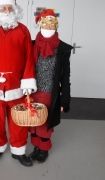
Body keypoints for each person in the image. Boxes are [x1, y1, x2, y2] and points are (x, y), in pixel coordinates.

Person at [0, 0, 37, 167]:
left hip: (18, 86)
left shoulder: (23, 30)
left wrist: (28, 80)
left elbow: (30, 56)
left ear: (15, 10)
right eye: (2, 8)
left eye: (9, 8)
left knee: (18, 121)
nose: (6, 11)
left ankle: (19, 150)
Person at [28, 9, 72, 163]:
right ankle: (36, 147)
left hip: (49, 93)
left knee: (44, 124)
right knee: (33, 123)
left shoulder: (63, 49)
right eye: (45, 25)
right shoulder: (32, 44)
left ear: (56, 26)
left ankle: (44, 150)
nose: (47, 28)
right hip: (32, 91)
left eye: (51, 25)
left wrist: (64, 100)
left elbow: (65, 76)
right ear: (40, 25)